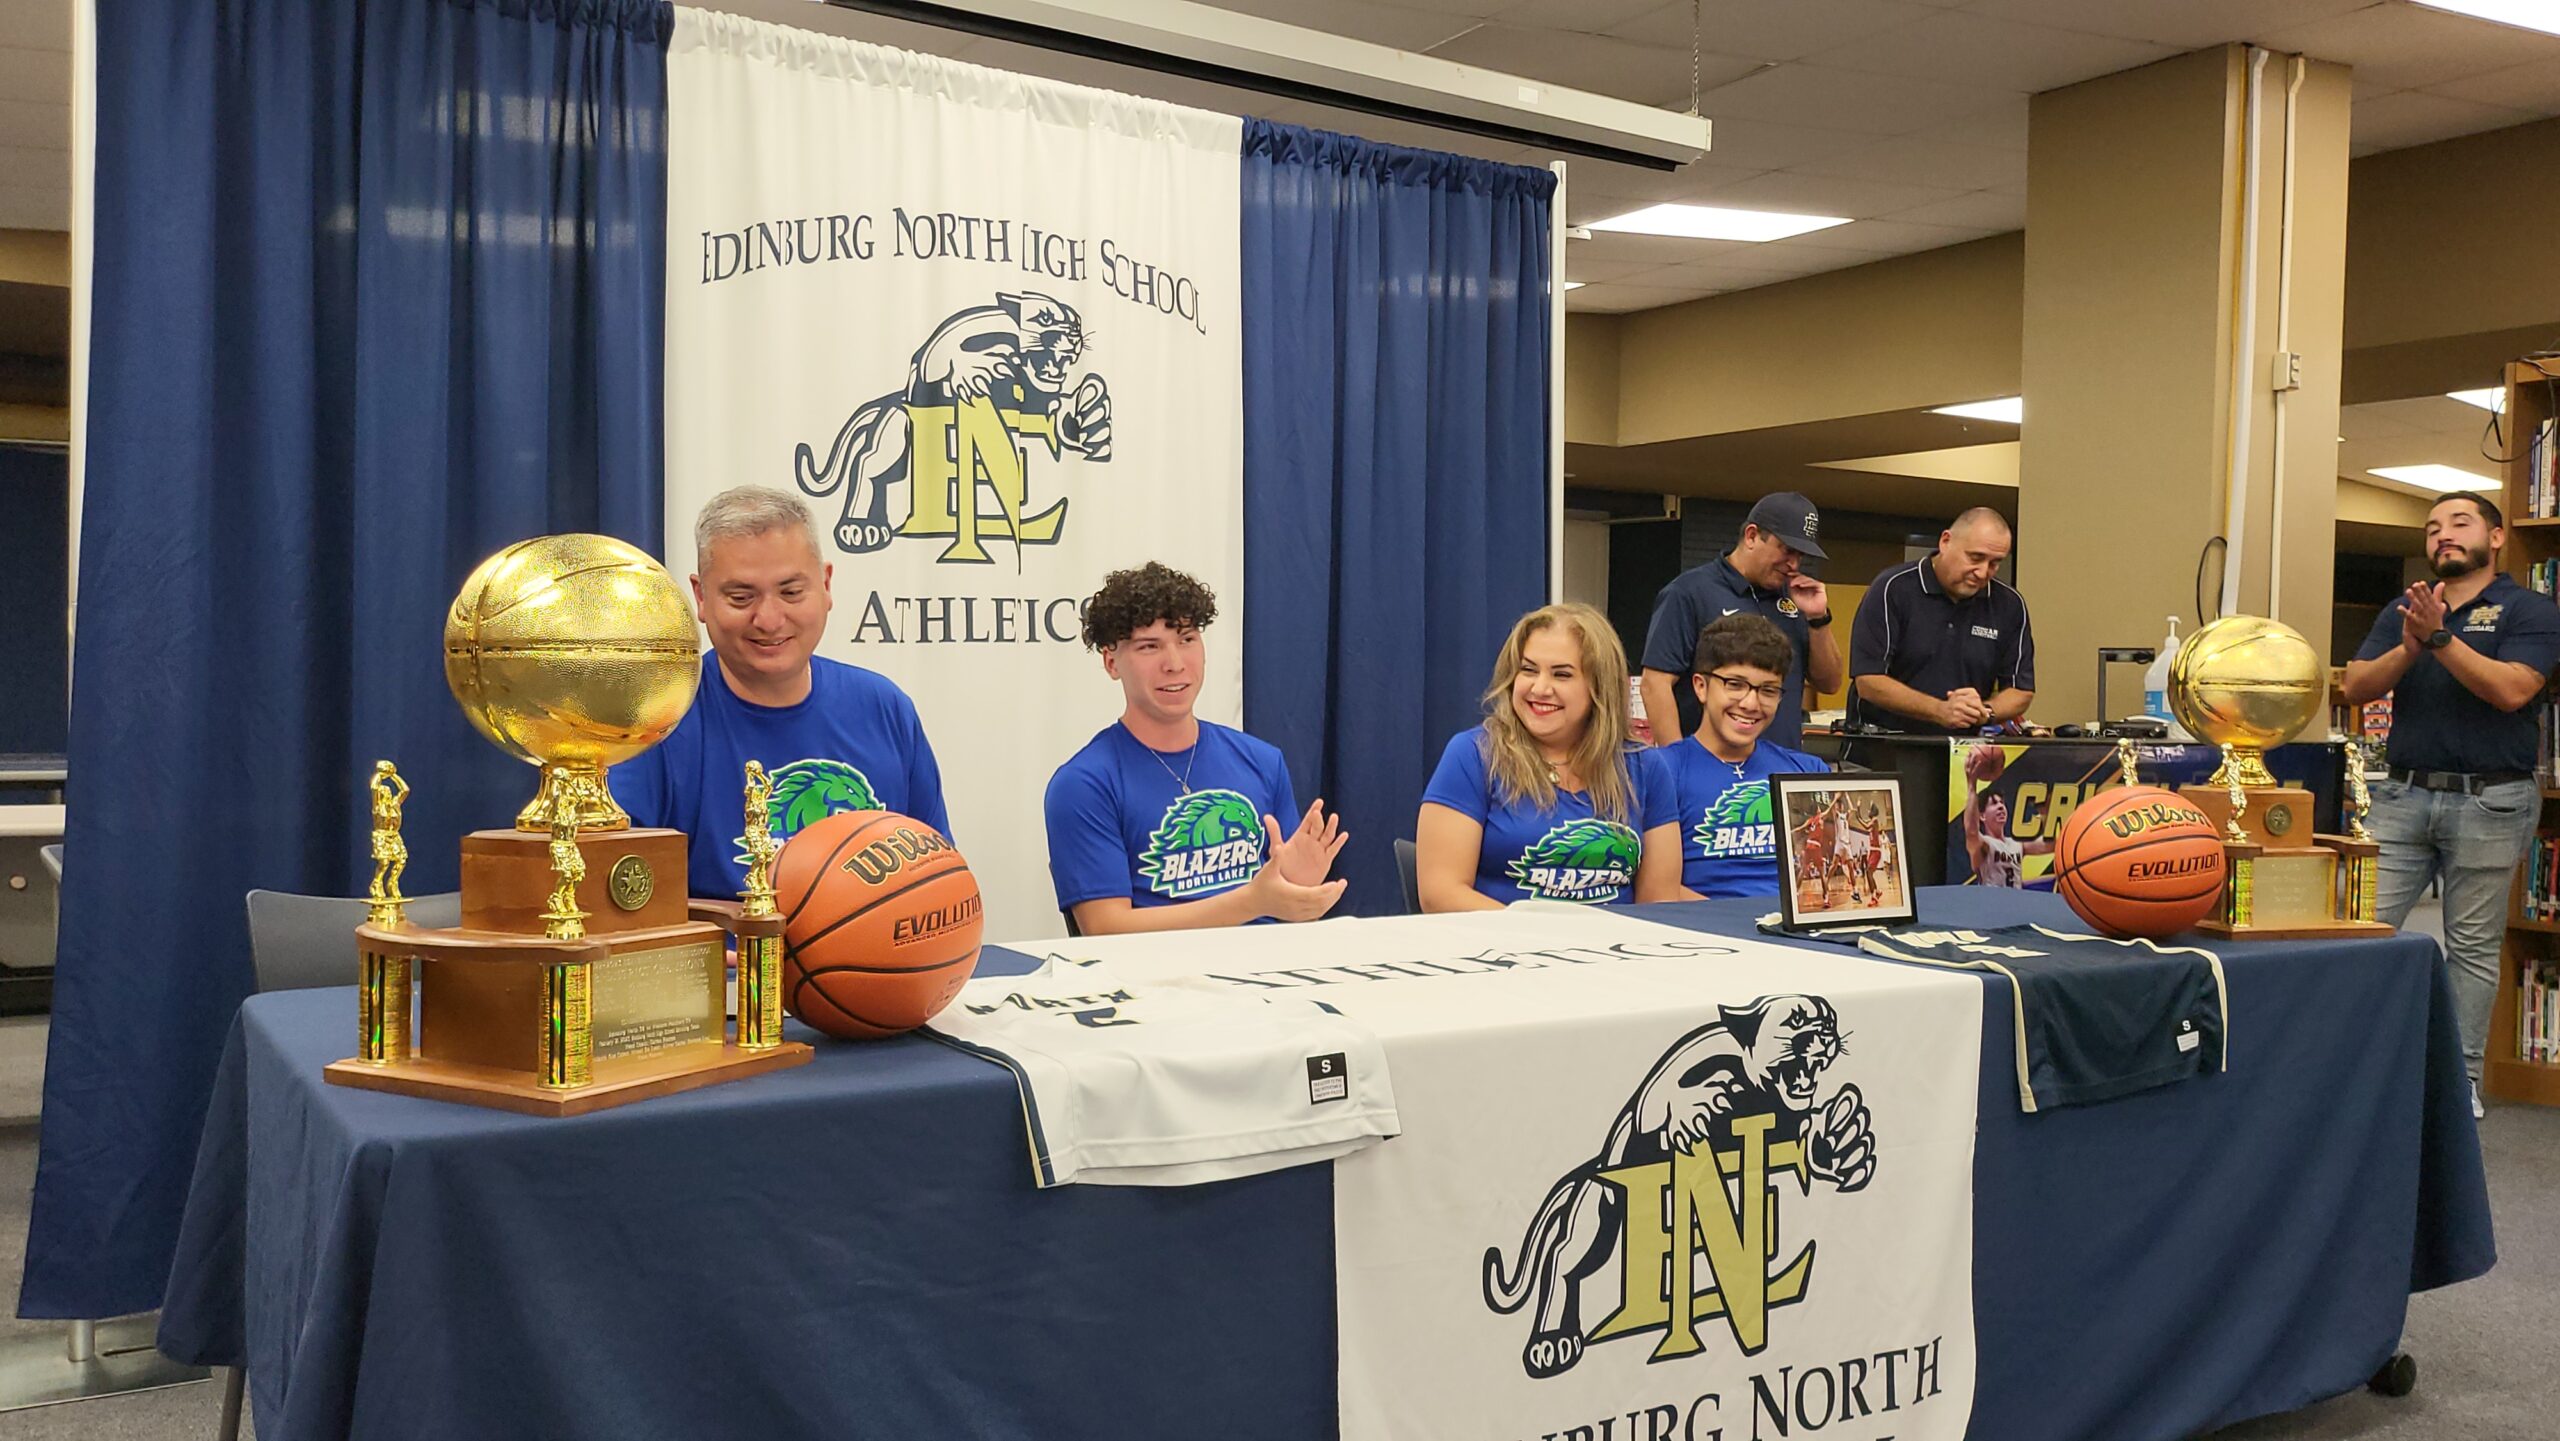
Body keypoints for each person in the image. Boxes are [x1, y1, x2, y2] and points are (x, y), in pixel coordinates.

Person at [616, 486, 951, 900]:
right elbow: (619, 906)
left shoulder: (884, 708)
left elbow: (937, 885)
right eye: (741, 597)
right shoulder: (655, 723)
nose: (769, 619)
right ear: (701, 597)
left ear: (826, 585)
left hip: (870, 966)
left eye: (792, 593)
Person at [2340, 490, 2560, 1115]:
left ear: (2495, 539)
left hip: (2491, 800)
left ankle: (2458, 1083)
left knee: (2471, 948)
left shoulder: (2529, 609)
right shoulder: (2404, 609)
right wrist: (2412, 642)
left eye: (2460, 523)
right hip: (2403, 795)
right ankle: (2358, 1060)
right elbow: (2356, 685)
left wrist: (2438, 639)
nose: (2442, 535)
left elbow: (2513, 690)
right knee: (2359, 929)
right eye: (2433, 527)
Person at [1044, 562, 1346, 934]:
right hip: (1155, 984)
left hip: (1266, 975)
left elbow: (1284, 906)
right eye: (1149, 646)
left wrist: (1299, 886)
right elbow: (1106, 929)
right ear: (1111, 662)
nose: (1174, 664)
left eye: (1187, 639)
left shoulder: (1262, 761)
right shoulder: (1084, 784)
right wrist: (1251, 901)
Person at [1417, 602, 1683, 909]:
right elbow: (1440, 894)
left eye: (1562, 675)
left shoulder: (1646, 767)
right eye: (1528, 670)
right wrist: (1545, 940)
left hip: (1615, 952)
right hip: (1502, 948)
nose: (1540, 688)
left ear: (1599, 686)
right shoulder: (1472, 756)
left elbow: (1660, 904)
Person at [1641, 614, 1827, 900]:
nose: (1751, 703)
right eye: (1735, 685)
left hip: (1796, 932)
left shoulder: (1807, 770)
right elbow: (1654, 891)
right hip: (1704, 932)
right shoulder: (1661, 770)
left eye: (1767, 690)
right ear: (1701, 687)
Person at [1638, 492, 1841, 750]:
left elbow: (1830, 683)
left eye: (1800, 556)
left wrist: (1818, 618)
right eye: (1787, 550)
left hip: (1780, 767)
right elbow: (1655, 684)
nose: (1794, 564)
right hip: (1711, 767)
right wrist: (1677, 765)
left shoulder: (1796, 597)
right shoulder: (1689, 592)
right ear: (1752, 536)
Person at [1847, 507, 2036, 734]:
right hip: (1882, 747)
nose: (1983, 572)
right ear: (1945, 541)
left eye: (1995, 563)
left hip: (1963, 753)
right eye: (1975, 557)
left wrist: (1983, 712)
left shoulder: (2009, 604)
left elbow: (2020, 690)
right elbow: (1869, 681)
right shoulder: (1892, 588)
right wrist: (1940, 710)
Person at [1963, 772, 2051, 889]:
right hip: (1992, 903)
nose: (2000, 806)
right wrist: (1972, 785)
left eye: (2002, 803)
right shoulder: (1984, 844)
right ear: (1982, 816)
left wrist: (2046, 813)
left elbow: (2049, 845)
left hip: (2016, 904)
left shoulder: (2017, 845)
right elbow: (1971, 831)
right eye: (1994, 803)